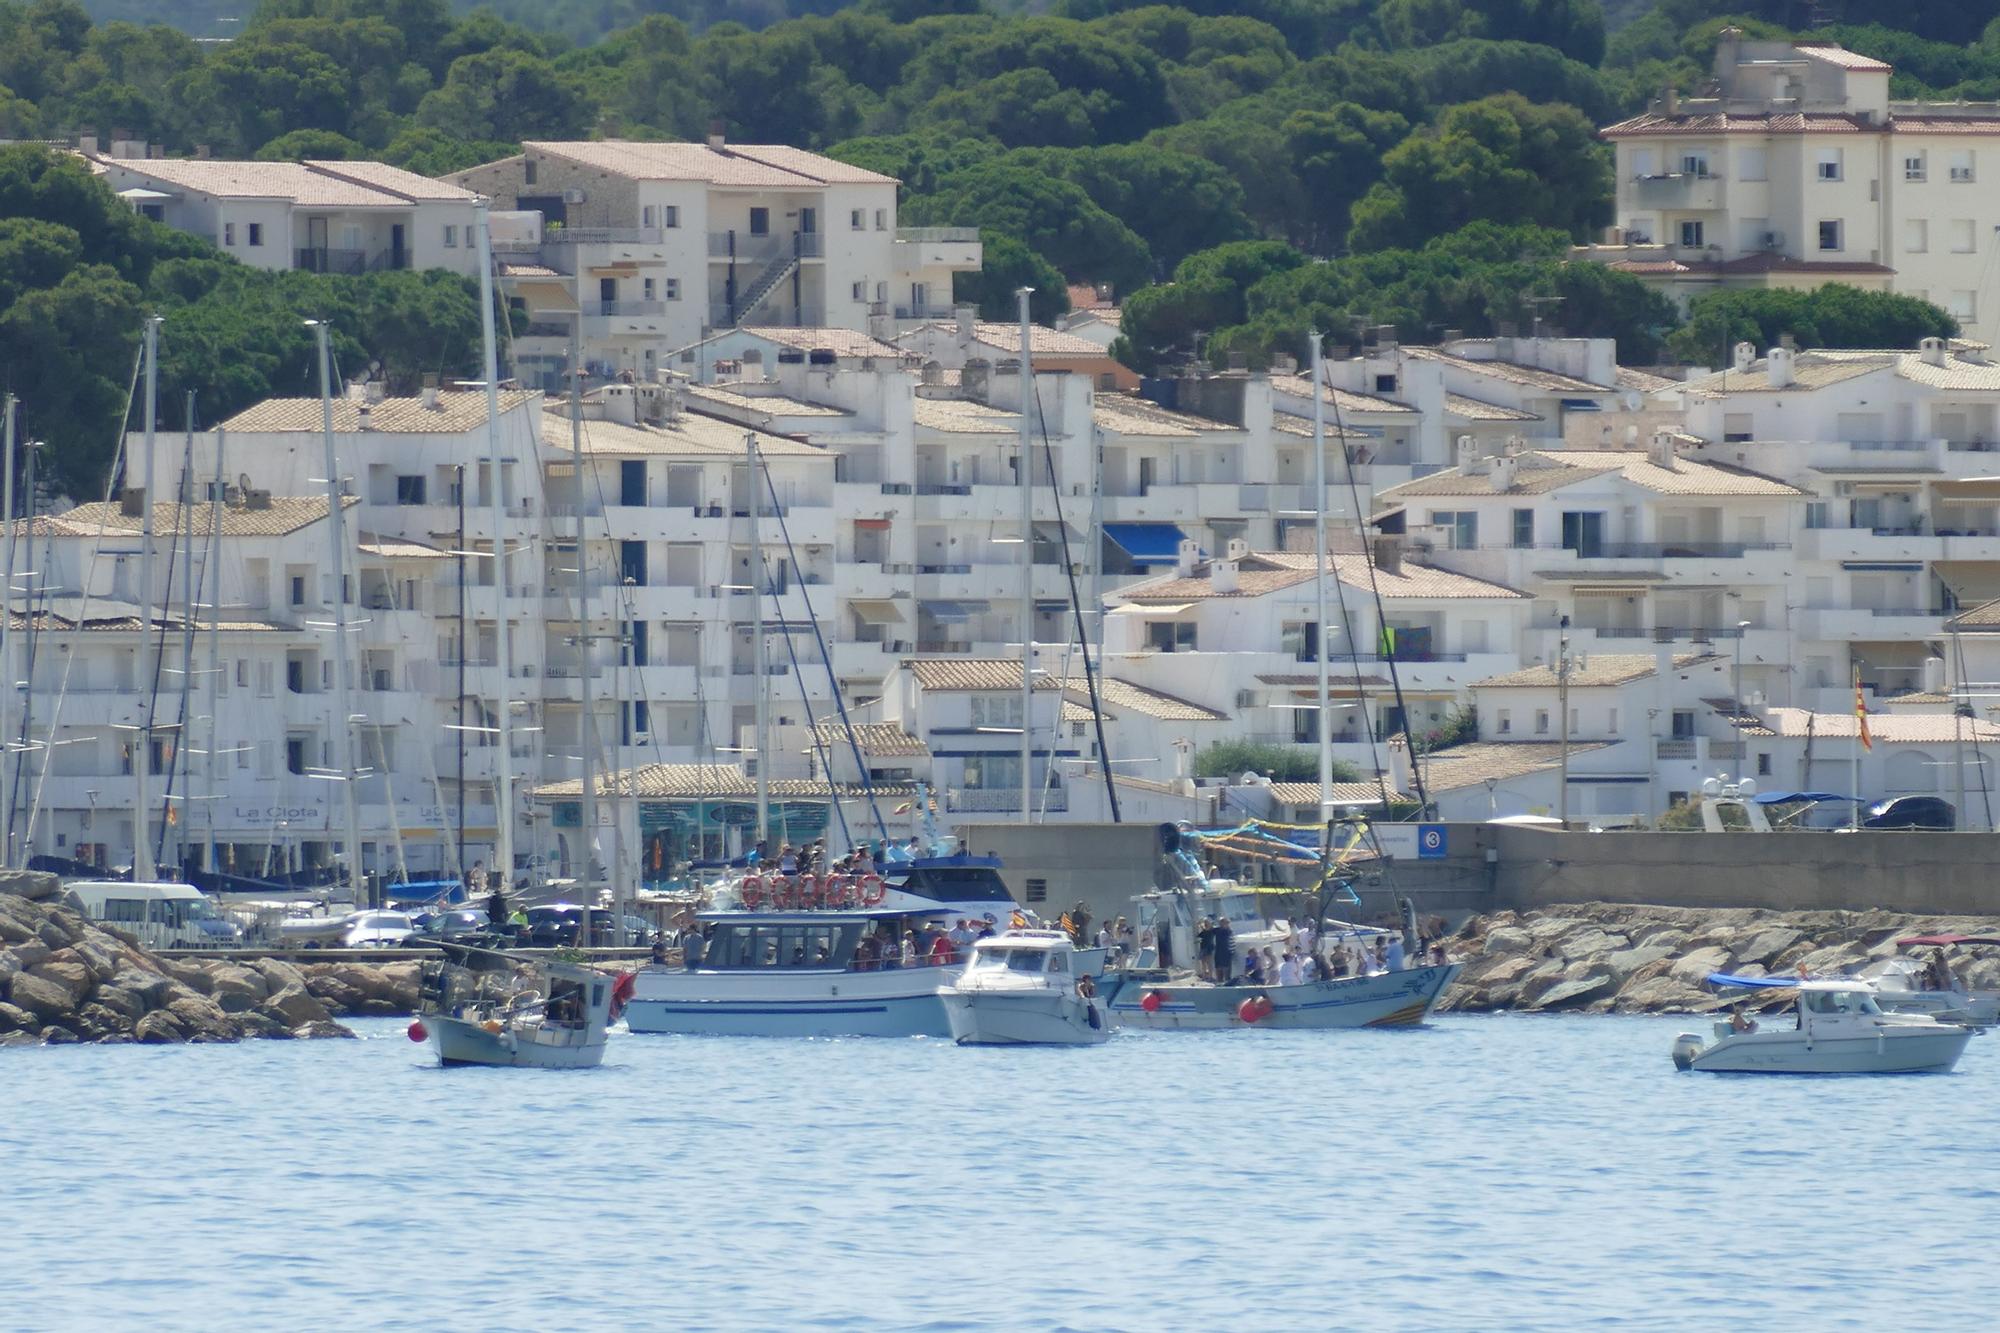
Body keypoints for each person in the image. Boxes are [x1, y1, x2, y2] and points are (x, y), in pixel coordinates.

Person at [1213, 915, 1235, 985]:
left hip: (1226, 954)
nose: (1221, 924)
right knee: (1219, 972)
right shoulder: (1217, 930)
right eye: (1220, 922)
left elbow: (1231, 944)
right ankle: (1219, 985)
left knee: (1227, 973)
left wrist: (1231, 953)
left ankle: (1227, 985)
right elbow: (1209, 929)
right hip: (1218, 954)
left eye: (1223, 922)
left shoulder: (1228, 931)